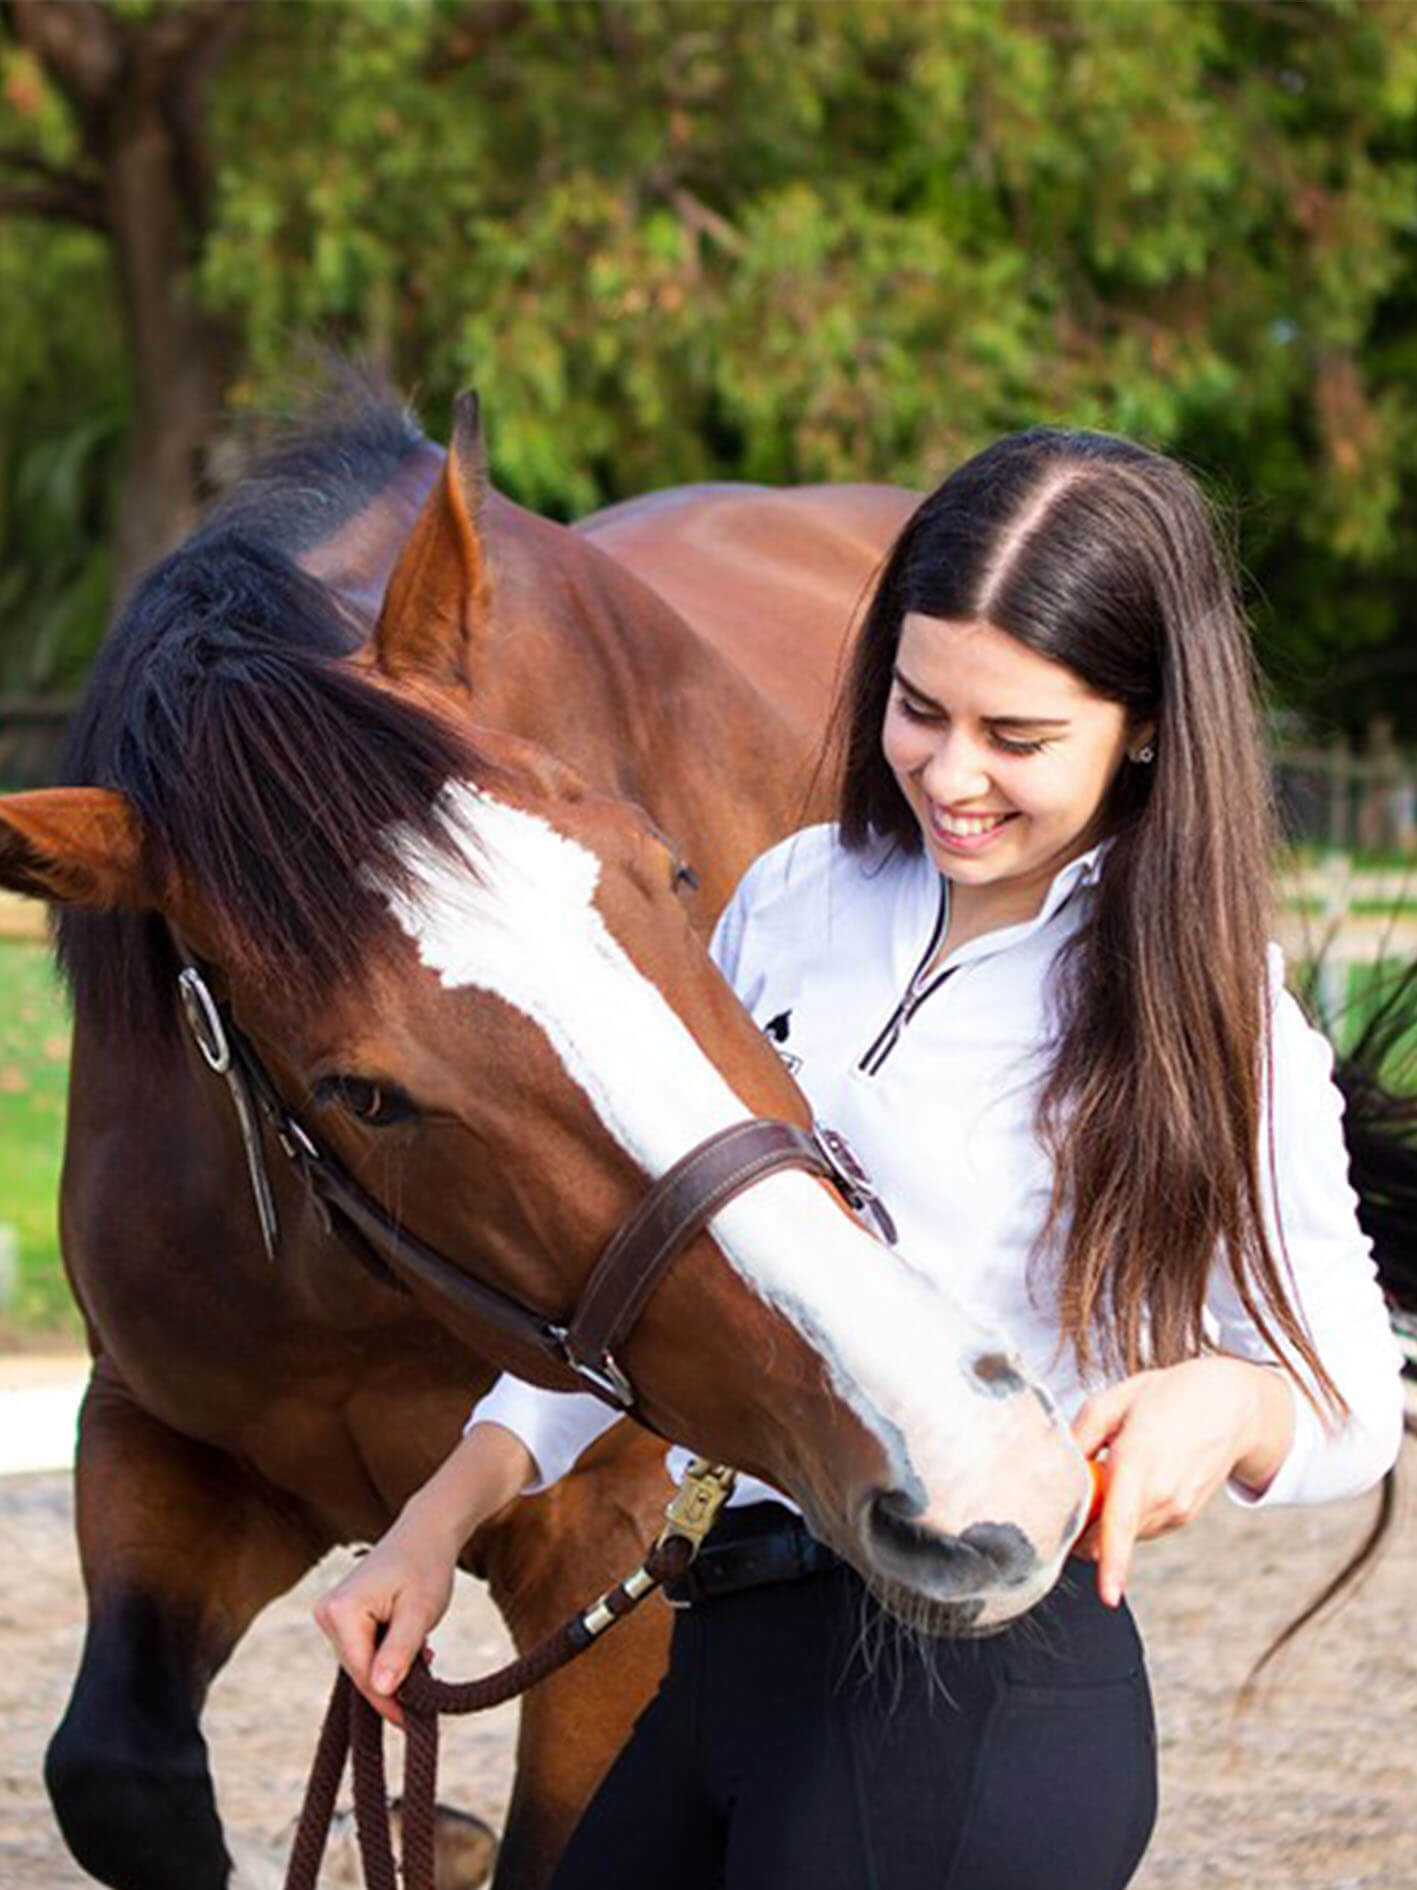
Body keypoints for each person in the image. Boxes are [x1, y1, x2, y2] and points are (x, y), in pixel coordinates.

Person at [315, 429, 1405, 1889]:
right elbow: (659, 1248)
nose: (951, 775)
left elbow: (1350, 1395)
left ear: (1143, 725)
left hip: (982, 1685)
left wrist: (1233, 1401)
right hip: (727, 1642)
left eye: (1017, 739)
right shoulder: (794, 894)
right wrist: (436, 1519)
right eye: (916, 707)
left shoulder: (1203, 1007)